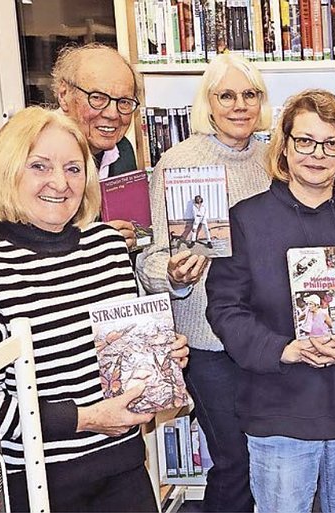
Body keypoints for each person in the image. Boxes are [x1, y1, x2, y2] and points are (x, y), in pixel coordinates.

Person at [0, 106, 189, 512]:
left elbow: (124, 355)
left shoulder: (108, 247)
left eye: (74, 169)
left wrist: (162, 357)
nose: (60, 182)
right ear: (6, 171)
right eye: (40, 166)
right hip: (38, 486)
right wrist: (85, 418)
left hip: (125, 471)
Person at [205, 89, 335, 513]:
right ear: (284, 146)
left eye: (330, 144)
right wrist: (281, 349)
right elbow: (225, 306)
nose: (317, 154)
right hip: (278, 409)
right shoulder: (245, 220)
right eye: (305, 141)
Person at [136, 53, 272, 513]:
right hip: (208, 342)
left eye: (249, 94)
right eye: (226, 95)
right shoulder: (178, 162)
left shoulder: (274, 158)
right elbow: (152, 258)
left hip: (266, 334)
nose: (240, 105)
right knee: (235, 461)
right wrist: (174, 275)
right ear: (207, 102)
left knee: (267, 459)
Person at [0, 43, 142, 250]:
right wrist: (90, 240)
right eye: (98, 98)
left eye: (124, 102)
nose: (112, 114)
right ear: (64, 94)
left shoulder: (123, 152)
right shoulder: (23, 144)